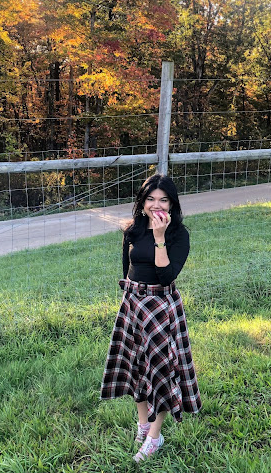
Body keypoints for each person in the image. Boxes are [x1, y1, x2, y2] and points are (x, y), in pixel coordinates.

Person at [100, 173, 201, 462]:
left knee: (161, 372)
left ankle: (155, 436)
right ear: (142, 202)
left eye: (163, 200)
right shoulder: (132, 230)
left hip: (160, 307)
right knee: (137, 368)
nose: (156, 205)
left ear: (172, 204)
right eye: (151, 199)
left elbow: (167, 276)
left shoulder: (178, 235)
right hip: (133, 304)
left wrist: (159, 238)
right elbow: (127, 268)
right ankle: (143, 424)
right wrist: (129, 299)